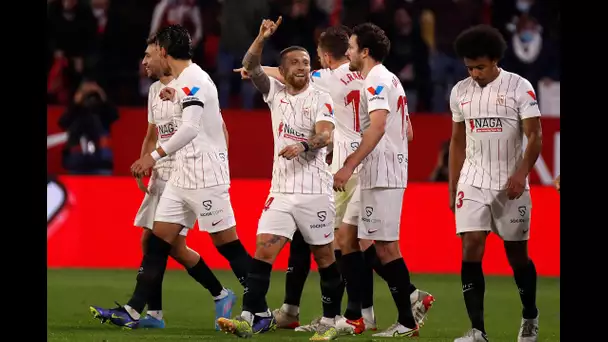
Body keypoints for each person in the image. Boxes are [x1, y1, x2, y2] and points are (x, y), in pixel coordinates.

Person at [89, 24, 253, 330]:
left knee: (226, 245)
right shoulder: (170, 86)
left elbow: (199, 128)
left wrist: (154, 158)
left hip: (203, 172)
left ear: (163, 51)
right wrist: (148, 161)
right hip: (177, 172)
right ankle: (138, 311)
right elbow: (157, 132)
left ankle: (254, 306)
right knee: (155, 240)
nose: (145, 61)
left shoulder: (194, 78)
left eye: (149, 54)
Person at [216, 17, 345, 341]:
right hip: (282, 191)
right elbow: (250, 65)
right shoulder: (274, 92)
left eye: (305, 61)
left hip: (315, 190)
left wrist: (302, 145)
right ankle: (249, 317)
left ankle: (331, 320)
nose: (302, 67)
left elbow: (326, 135)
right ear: (283, 70)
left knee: (325, 256)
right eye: (295, 63)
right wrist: (260, 36)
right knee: (263, 251)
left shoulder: (320, 97)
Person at [448, 24, 541, 342]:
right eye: (469, 67)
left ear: (496, 60)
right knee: (471, 244)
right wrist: (453, 185)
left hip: (510, 183)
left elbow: (535, 136)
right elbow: (457, 141)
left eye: (480, 67)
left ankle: (530, 315)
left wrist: (521, 174)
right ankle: (477, 331)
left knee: (517, 255)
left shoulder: (520, 87)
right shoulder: (460, 92)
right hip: (473, 181)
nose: (474, 73)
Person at [333, 22, 427, 338]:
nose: (347, 53)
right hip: (380, 170)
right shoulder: (390, 79)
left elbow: (377, 127)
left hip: (381, 174)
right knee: (347, 237)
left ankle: (407, 320)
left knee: (386, 248)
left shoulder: (374, 80)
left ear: (365, 52)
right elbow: (409, 132)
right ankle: (357, 314)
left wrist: (349, 165)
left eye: (352, 47)